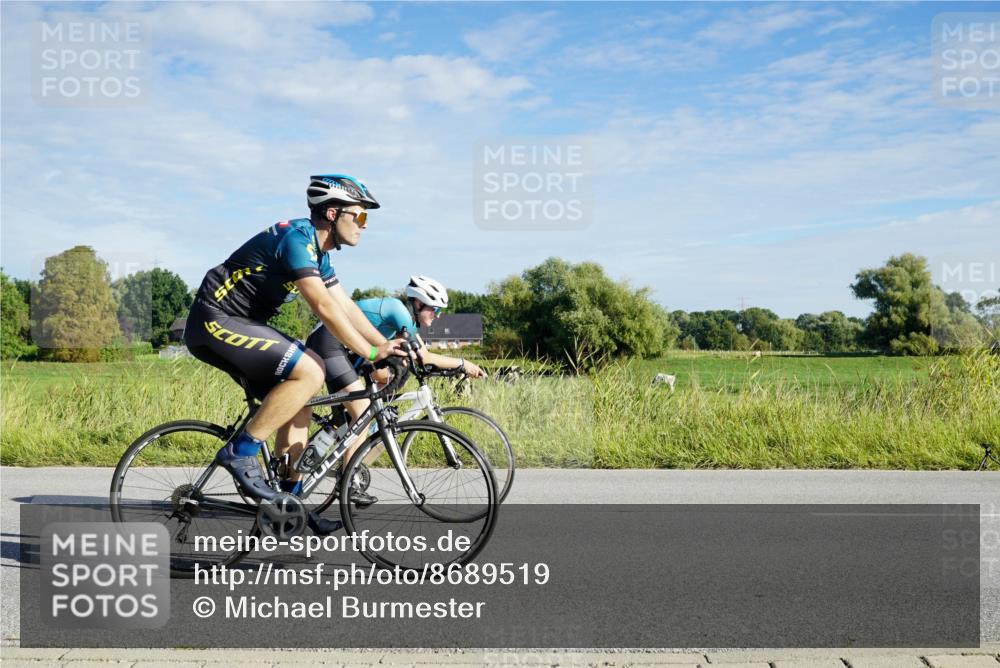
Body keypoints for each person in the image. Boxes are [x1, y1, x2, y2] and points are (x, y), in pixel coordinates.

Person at [183, 174, 405, 535]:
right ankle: (240, 450)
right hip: (215, 318)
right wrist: (368, 351)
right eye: (360, 216)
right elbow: (322, 306)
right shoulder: (296, 239)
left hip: (243, 322)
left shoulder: (321, 254)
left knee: (301, 396)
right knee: (311, 371)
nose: (364, 226)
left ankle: (288, 501)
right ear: (332, 213)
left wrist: (384, 346)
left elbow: (345, 306)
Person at [306, 275, 487, 390]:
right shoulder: (398, 311)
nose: (437, 317)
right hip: (328, 340)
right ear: (419, 304)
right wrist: (463, 363)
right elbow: (424, 356)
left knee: (366, 419)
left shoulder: (404, 324)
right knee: (361, 413)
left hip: (345, 349)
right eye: (435, 310)